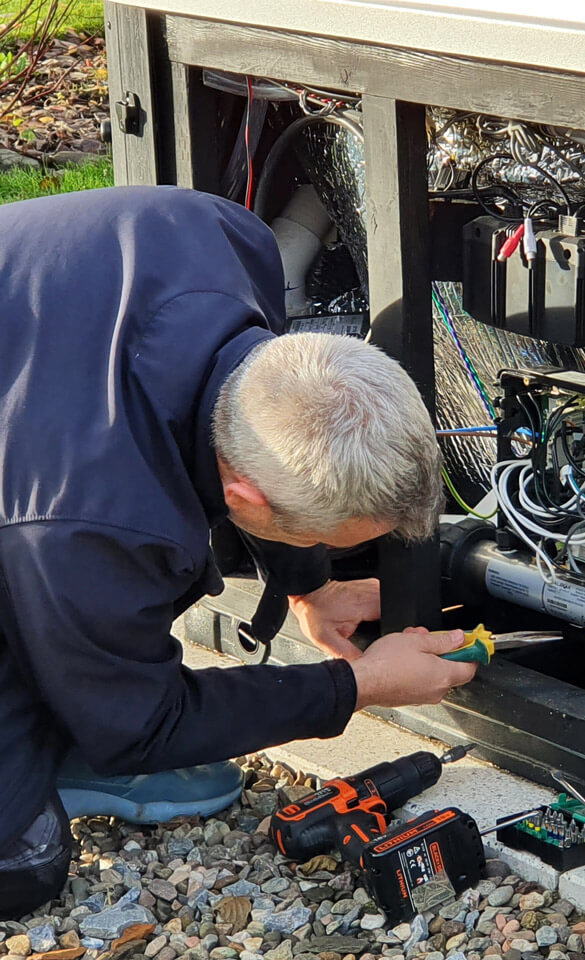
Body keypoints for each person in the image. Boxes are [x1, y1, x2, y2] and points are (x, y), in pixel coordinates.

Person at [0, 185, 476, 917]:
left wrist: (308, 585)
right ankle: (60, 720)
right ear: (249, 498)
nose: (321, 550)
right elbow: (145, 725)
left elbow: (246, 422)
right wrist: (357, 687)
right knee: (26, 862)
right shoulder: (95, 526)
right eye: (320, 537)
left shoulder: (224, 238)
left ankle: (68, 690)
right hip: (36, 506)